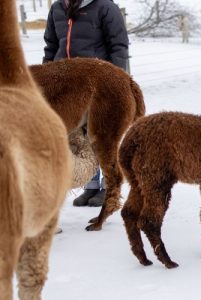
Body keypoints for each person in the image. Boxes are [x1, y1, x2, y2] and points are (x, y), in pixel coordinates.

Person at [43, 0, 129, 207]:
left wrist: (114, 82)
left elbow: (118, 47)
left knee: (101, 135)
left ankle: (110, 188)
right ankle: (91, 186)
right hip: (65, 86)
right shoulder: (57, 8)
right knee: (79, 136)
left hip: (97, 83)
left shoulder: (105, 7)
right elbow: (51, 46)